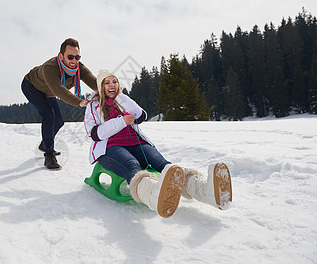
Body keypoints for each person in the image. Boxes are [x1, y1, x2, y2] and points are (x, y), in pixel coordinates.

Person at [84, 69, 232, 218]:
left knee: (163, 165)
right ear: (100, 86)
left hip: (136, 143)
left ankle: (204, 191)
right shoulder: (93, 106)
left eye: (114, 82)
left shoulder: (122, 101)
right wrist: (121, 122)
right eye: (107, 83)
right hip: (110, 147)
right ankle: (152, 196)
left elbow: (141, 116)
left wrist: (121, 97)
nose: (112, 85)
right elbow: (95, 134)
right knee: (131, 164)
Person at [22, 38, 97, 170]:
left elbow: (95, 83)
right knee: (49, 115)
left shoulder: (79, 68)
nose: (74, 61)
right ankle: (49, 155)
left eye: (77, 57)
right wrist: (79, 102)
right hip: (32, 86)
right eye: (70, 57)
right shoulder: (50, 68)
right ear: (61, 56)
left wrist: (111, 92)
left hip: (48, 92)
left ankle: (45, 144)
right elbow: (59, 91)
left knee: (59, 121)